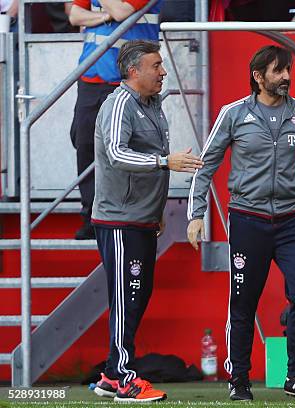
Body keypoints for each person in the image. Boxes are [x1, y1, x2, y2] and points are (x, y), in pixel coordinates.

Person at [186, 45, 295, 402]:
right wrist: (195, 215)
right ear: (258, 76)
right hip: (247, 221)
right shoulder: (233, 113)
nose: (286, 77)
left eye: (288, 71)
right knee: (243, 300)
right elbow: (205, 165)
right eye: (278, 71)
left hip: (293, 222)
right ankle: (239, 379)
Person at [91, 40, 203, 402]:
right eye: (156, 66)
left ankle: (110, 374)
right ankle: (124, 377)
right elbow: (115, 153)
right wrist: (164, 162)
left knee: (136, 297)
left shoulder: (152, 103)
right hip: (119, 219)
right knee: (127, 297)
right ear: (133, 71)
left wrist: (154, 214)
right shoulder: (119, 103)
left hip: (141, 219)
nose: (163, 72)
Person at [69, 0, 162, 239]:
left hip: (127, 82)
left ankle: (125, 212)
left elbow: (122, 12)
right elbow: (75, 16)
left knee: (127, 149)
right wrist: (105, 17)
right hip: (91, 76)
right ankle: (91, 214)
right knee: (85, 145)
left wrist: (105, 13)